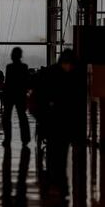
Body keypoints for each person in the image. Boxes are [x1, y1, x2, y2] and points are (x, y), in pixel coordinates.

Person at [37, 48, 84, 198]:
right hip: (58, 122)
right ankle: (57, 183)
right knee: (57, 154)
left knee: (56, 153)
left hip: (55, 122)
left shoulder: (51, 74)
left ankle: (55, 183)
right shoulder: (74, 76)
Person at [2, 47, 30, 147]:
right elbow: (27, 82)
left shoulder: (9, 67)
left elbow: (8, 83)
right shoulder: (24, 67)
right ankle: (25, 139)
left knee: (6, 118)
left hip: (10, 94)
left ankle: (7, 138)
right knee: (22, 117)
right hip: (20, 94)